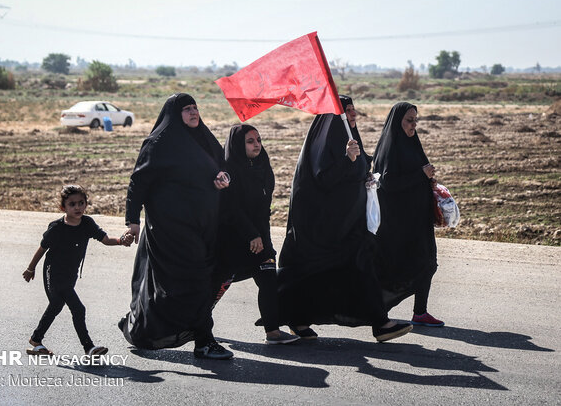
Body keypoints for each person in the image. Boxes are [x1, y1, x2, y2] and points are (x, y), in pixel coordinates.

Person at [277, 95, 413, 342]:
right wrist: (347, 160)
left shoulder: (351, 139)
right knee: (315, 275)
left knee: (361, 267)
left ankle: (380, 323)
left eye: (352, 109)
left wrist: (365, 177)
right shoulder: (324, 141)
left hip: (349, 224)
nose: (352, 114)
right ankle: (297, 319)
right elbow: (323, 178)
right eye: (346, 110)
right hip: (323, 228)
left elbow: (356, 172)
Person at [119, 93, 234, 359]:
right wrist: (133, 221)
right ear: (174, 114)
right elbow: (139, 182)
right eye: (186, 109)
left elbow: (224, 167)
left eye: (195, 107)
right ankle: (204, 341)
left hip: (204, 224)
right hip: (171, 227)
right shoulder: (159, 142)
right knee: (196, 280)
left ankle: (138, 327)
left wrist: (224, 177)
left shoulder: (205, 138)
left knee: (184, 284)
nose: (194, 112)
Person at [213, 124, 300, 345]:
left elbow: (263, 209)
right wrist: (251, 234)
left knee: (269, 277)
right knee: (219, 284)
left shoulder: (263, 166)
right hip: (233, 239)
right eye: (250, 141)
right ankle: (195, 319)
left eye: (258, 140)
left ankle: (273, 331)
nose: (257, 145)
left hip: (259, 237)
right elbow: (231, 209)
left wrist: (263, 237)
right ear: (238, 145)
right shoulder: (228, 171)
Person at [22, 184, 131, 356]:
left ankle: (36, 340)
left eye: (81, 203)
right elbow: (42, 248)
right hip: (54, 273)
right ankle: (89, 347)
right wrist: (30, 268)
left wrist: (120, 240)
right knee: (78, 309)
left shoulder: (87, 223)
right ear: (63, 207)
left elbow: (105, 239)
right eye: (72, 204)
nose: (78, 207)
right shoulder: (57, 228)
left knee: (56, 306)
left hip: (70, 274)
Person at [372, 102, 444, 327]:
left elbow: (418, 171)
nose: (414, 125)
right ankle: (377, 309)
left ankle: (419, 312)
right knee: (401, 267)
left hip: (418, 218)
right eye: (409, 120)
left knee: (428, 262)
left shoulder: (413, 143)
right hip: (399, 222)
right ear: (397, 122)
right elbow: (388, 182)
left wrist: (428, 179)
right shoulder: (391, 146)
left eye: (415, 120)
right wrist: (420, 174)